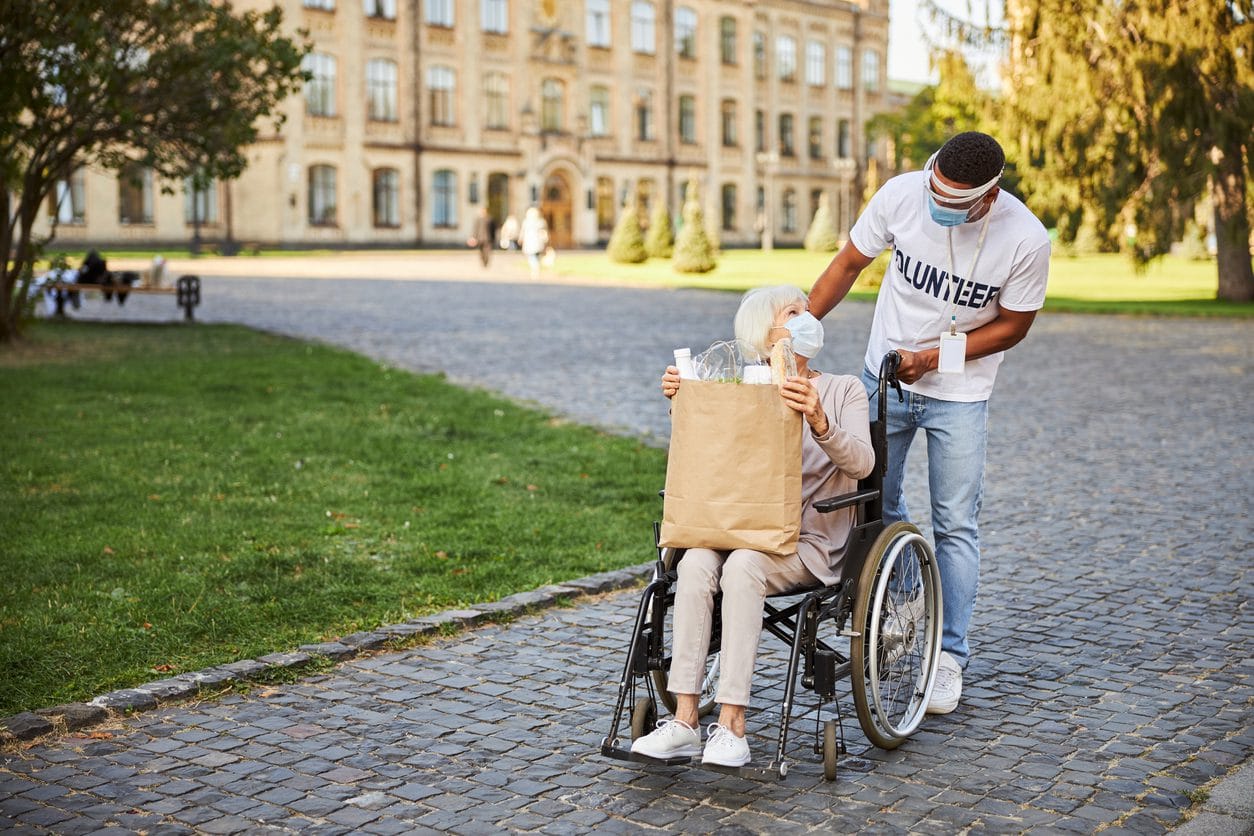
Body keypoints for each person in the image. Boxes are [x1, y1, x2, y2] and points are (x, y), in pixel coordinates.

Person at [806, 131, 1051, 715]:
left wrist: (936, 357)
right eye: (933, 185)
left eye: (953, 199)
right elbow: (847, 265)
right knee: (871, 503)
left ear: (987, 200)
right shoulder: (901, 194)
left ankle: (949, 656)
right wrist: (797, 328)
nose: (937, 202)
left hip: (960, 395)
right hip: (882, 378)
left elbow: (1014, 325)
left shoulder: (1025, 239)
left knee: (956, 524)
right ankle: (911, 598)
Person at [631, 285, 875, 767]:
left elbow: (864, 464)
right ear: (766, 334)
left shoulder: (844, 389)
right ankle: (684, 720)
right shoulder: (740, 391)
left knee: (743, 567)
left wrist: (820, 421)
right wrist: (683, 402)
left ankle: (732, 726)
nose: (808, 318)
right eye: (794, 312)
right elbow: (709, 458)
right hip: (735, 530)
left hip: (807, 542)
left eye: (807, 310)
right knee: (697, 562)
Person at [519, 206, 549, 279]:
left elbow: (523, 232)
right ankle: (536, 268)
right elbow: (544, 233)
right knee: (536, 256)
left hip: (530, 243)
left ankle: (535, 269)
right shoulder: (541, 222)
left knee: (532, 256)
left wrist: (521, 239)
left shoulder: (526, 222)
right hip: (538, 243)